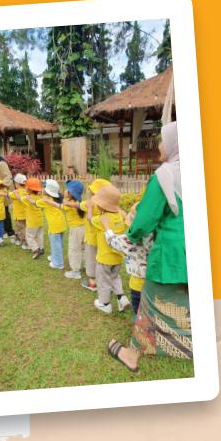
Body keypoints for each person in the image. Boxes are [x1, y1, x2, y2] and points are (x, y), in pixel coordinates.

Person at [108, 122, 190, 372]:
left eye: (163, 141)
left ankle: (132, 354)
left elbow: (144, 221)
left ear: (175, 144)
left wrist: (130, 232)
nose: (159, 146)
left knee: (149, 303)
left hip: (172, 254)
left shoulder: (165, 174)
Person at [90, 185, 131, 314]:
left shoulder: (101, 219)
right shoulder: (119, 216)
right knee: (115, 277)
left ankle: (105, 303)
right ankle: (121, 297)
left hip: (104, 258)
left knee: (103, 281)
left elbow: (90, 220)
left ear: (102, 205)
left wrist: (90, 209)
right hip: (118, 258)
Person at [80, 178, 112, 291]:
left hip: (91, 237)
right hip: (103, 238)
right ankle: (105, 280)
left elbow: (82, 205)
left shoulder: (91, 203)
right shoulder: (109, 206)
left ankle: (92, 282)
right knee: (101, 260)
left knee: (90, 259)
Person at [37, 179, 67, 270]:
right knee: (59, 243)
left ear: (47, 190)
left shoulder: (45, 200)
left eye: (43, 187)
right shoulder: (56, 198)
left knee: (55, 244)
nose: (41, 189)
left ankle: (58, 263)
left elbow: (36, 203)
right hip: (62, 223)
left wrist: (31, 198)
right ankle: (55, 256)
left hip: (54, 226)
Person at [62, 180, 87, 279]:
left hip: (76, 230)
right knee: (84, 249)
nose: (65, 190)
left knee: (74, 249)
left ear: (70, 192)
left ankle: (75, 271)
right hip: (84, 229)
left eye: (67, 189)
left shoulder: (69, 203)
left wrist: (64, 198)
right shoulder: (79, 202)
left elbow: (60, 206)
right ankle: (87, 266)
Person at [22, 177, 45, 258]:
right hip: (40, 220)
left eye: (26, 186)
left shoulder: (27, 198)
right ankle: (41, 248)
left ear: (29, 189)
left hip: (32, 222)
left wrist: (23, 195)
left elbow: (21, 199)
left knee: (29, 236)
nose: (25, 187)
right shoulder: (39, 197)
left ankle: (35, 249)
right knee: (39, 235)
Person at [7, 173, 28, 246]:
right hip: (26, 214)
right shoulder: (27, 191)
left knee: (21, 229)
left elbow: (8, 194)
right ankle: (19, 239)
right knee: (25, 228)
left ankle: (25, 243)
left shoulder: (15, 192)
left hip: (18, 215)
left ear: (17, 184)